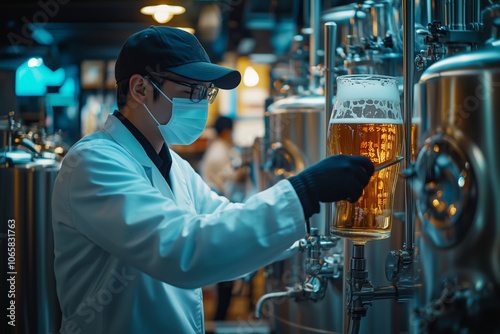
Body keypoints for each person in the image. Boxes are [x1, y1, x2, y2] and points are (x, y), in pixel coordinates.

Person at [52, 26, 374, 334]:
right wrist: (304, 190)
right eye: (191, 90)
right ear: (140, 88)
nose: (201, 103)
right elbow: (183, 252)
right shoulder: (93, 163)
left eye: (206, 93)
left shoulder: (173, 164)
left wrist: (310, 227)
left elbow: (223, 220)